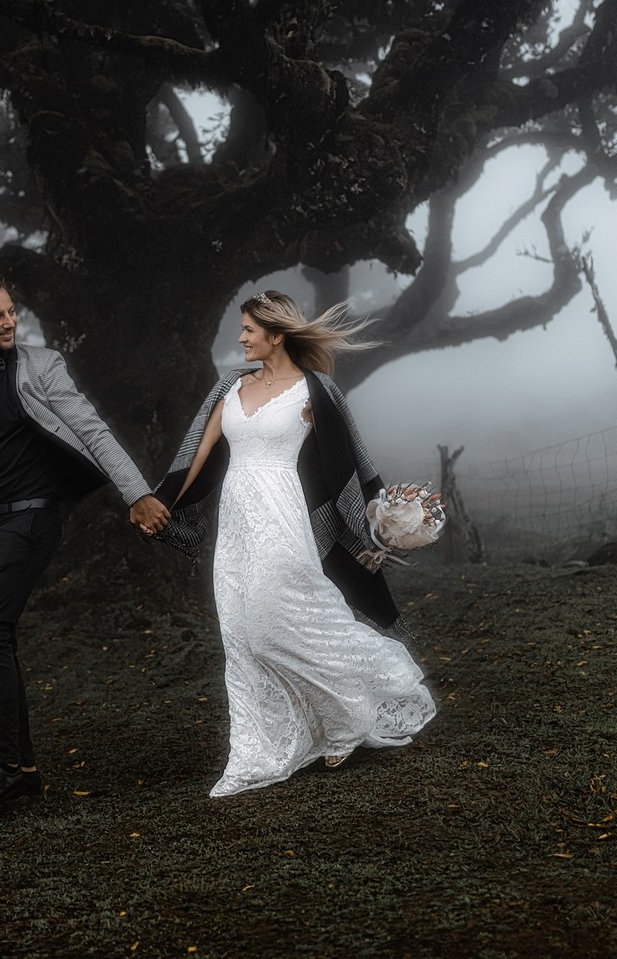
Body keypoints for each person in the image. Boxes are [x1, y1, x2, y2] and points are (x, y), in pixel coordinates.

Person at [151, 291, 435, 797]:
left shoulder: (314, 391)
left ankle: (350, 713)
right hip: (236, 527)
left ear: (277, 335)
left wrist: (378, 519)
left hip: (283, 518)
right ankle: (258, 747)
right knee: (242, 636)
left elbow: (347, 460)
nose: (240, 338)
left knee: (279, 625)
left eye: (248, 330)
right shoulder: (231, 386)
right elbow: (200, 453)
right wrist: (163, 502)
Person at [0, 271, 171, 811]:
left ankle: (7, 767)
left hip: (33, 517)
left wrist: (137, 493)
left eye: (12, 311)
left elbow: (92, 429)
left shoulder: (42, 365)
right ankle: (23, 770)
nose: (10, 322)